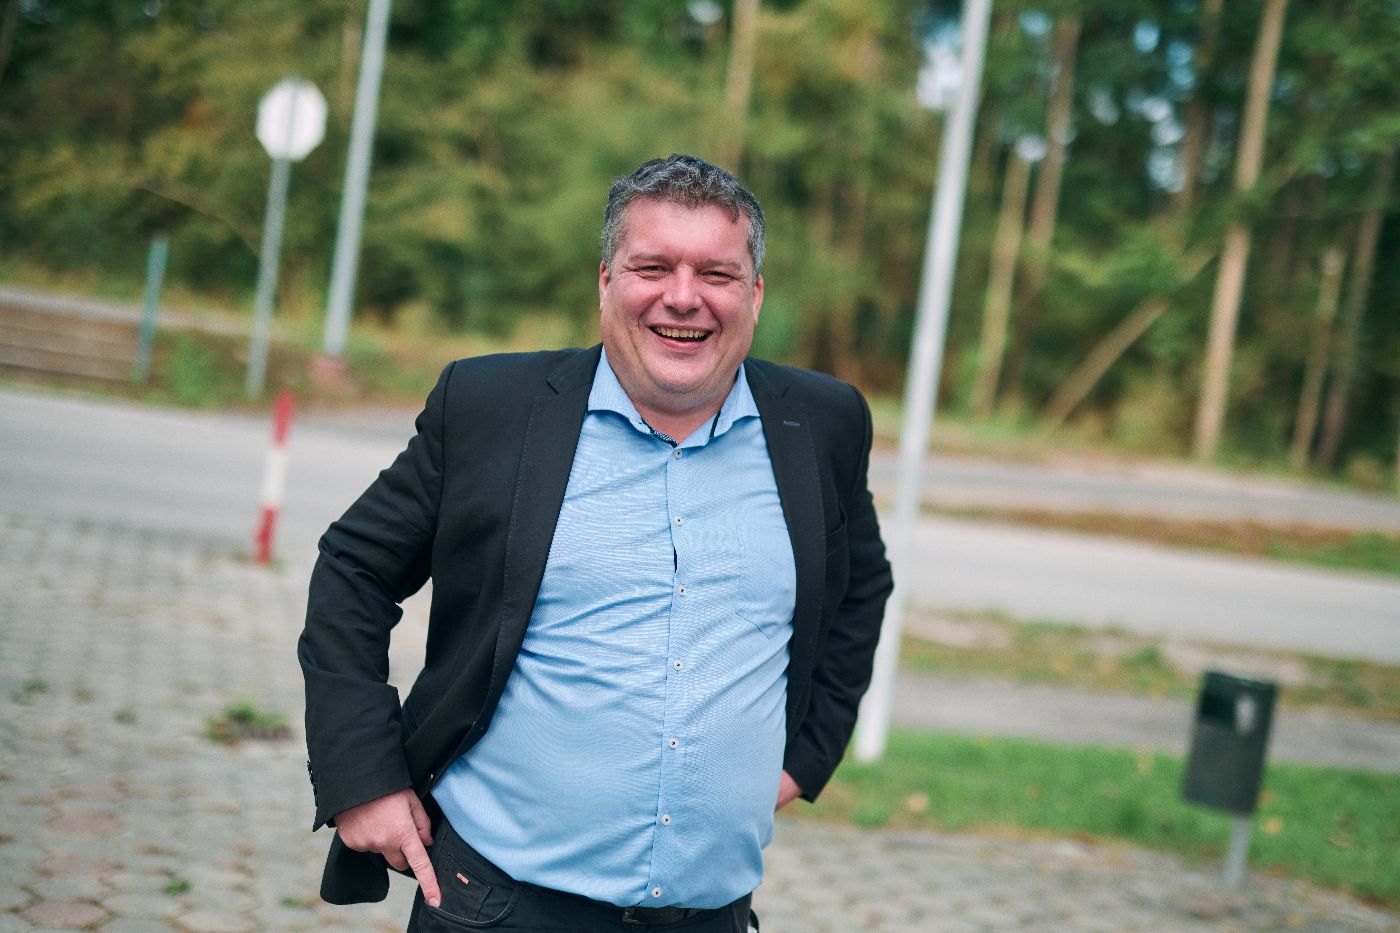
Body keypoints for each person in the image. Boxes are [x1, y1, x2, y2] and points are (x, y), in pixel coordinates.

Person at [299, 153, 892, 932]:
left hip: (710, 914)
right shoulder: (492, 408)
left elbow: (859, 589)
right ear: (607, 279)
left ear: (753, 293)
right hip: (499, 904)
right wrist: (363, 777)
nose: (684, 296)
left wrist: (805, 756)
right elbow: (355, 568)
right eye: (654, 266)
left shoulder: (822, 424)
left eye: (716, 273)